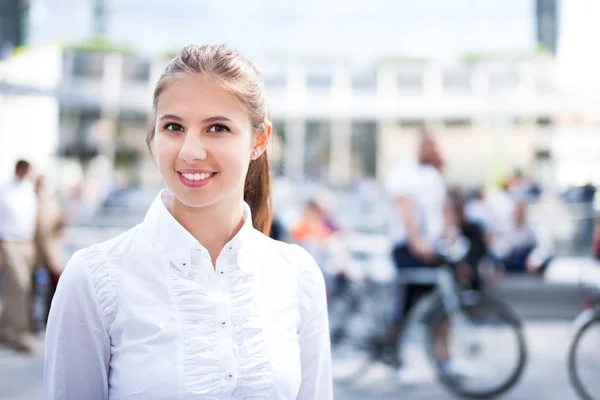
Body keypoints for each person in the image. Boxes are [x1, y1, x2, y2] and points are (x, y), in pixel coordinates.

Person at [45, 44, 333, 400]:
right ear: (154, 135)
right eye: (174, 126)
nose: (191, 151)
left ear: (259, 140)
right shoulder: (94, 277)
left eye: (217, 127)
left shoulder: (298, 274)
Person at [384, 129, 459, 380]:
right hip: (409, 248)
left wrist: (451, 237)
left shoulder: (433, 176)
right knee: (406, 306)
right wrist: (417, 243)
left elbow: (445, 209)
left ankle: (445, 358)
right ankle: (394, 356)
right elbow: (405, 210)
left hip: (432, 247)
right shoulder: (404, 172)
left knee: (447, 302)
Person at [0, 159, 38, 352]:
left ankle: (5, 330)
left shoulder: (28, 189)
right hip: (10, 243)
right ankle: (20, 335)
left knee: (14, 289)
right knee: (21, 287)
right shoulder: (6, 189)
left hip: (26, 243)